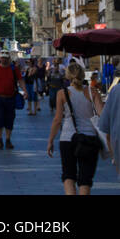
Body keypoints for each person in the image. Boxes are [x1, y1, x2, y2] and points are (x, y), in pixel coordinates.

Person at [47, 61, 106, 195]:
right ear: (83, 75)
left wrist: (50, 140)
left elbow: (57, 119)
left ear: (67, 76)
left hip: (67, 138)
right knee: (85, 179)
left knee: (68, 175)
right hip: (89, 139)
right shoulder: (92, 92)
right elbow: (102, 115)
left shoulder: (62, 93)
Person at [0, 51, 24, 149]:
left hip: (10, 98)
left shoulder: (14, 69)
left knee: (10, 119)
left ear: (9, 59)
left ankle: (8, 139)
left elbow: (20, 80)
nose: (4, 59)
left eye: (6, 58)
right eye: (2, 57)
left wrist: (25, 91)